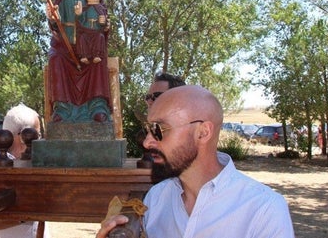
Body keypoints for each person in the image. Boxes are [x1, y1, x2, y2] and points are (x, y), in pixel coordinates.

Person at [97, 85, 295, 238]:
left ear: (203, 133)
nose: (148, 141)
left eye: (159, 129)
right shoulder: (156, 199)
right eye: (147, 130)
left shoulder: (264, 209)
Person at [45, 0, 111, 123]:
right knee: (55, 58)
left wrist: (103, 24)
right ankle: (63, 109)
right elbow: (55, 29)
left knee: (97, 56)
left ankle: (97, 106)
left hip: (88, 46)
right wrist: (53, 18)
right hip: (65, 48)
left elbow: (102, 19)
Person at [0, 103, 49, 238]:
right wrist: (27, 215)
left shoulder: (38, 162)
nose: (40, 139)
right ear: (23, 135)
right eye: (38, 134)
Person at [75, 0, 109, 65]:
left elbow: (105, 25)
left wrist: (103, 21)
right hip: (86, 31)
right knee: (82, 38)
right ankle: (84, 55)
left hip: (97, 32)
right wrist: (79, 14)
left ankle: (97, 55)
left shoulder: (102, 9)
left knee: (100, 37)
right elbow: (81, 20)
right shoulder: (85, 9)